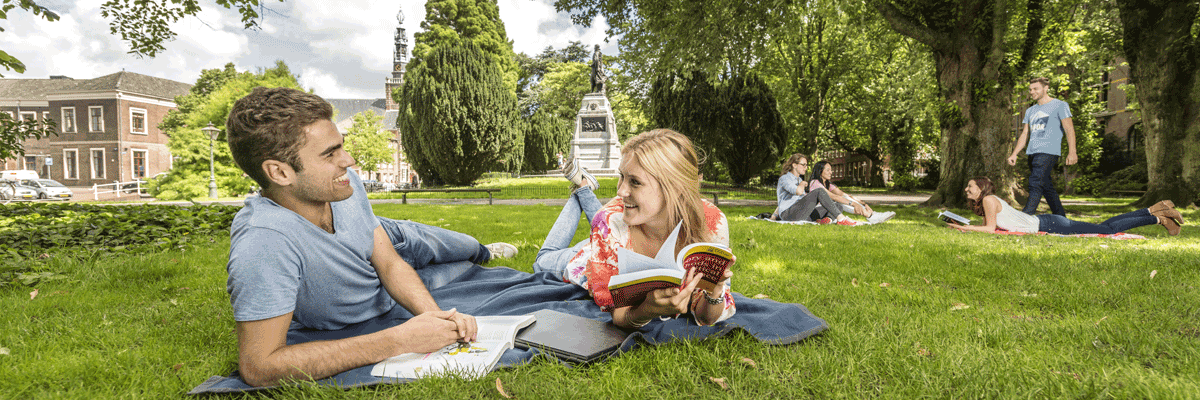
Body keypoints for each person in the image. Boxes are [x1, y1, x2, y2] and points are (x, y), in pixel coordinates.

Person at [222, 87, 517, 386]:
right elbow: (259, 367)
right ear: (279, 173)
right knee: (462, 272)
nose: (349, 161)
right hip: (370, 277)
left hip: (390, 237)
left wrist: (436, 320)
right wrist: (399, 340)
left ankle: (484, 250)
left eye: (341, 146)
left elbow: (389, 262)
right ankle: (479, 256)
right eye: (330, 154)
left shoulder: (342, 184)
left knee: (465, 247)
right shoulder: (263, 243)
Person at [532, 129, 735, 328]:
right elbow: (619, 315)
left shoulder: (711, 222)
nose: (620, 190)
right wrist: (646, 310)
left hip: (611, 238)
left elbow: (707, 317)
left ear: (674, 189)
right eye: (622, 176)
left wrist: (715, 291)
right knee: (543, 259)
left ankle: (583, 187)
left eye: (635, 182)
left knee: (609, 219)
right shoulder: (607, 223)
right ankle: (581, 190)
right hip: (587, 259)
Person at [947, 177, 1183, 236]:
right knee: (1104, 225)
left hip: (1051, 224)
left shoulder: (989, 199)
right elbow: (991, 225)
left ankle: (1157, 217)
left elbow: (989, 229)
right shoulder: (990, 201)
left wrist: (961, 229)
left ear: (981, 188)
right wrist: (964, 225)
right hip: (1048, 221)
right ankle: (1154, 209)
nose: (967, 190)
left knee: (1108, 230)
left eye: (970, 187)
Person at [1007, 77, 1076, 216]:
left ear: (1046, 88)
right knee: (1046, 186)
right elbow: (1025, 133)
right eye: (1030, 89)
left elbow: (1069, 129)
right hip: (1032, 152)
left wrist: (1072, 152)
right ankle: (1060, 217)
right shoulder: (1030, 111)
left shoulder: (1060, 105)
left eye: (1035, 89)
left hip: (1049, 151)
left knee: (1035, 182)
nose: (1032, 92)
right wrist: (1014, 153)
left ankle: (1026, 215)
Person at [770, 153, 857, 225]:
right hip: (789, 214)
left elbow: (785, 199)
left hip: (800, 212)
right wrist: (802, 184)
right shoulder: (785, 179)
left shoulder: (799, 179)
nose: (806, 167)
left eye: (806, 165)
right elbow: (798, 191)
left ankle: (827, 220)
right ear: (794, 165)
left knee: (837, 206)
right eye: (803, 165)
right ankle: (842, 220)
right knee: (819, 191)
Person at [808, 160, 896, 224]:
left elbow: (845, 195)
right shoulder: (815, 183)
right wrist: (853, 204)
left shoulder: (828, 184)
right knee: (839, 202)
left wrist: (864, 204)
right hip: (815, 212)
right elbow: (834, 197)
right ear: (820, 171)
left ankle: (872, 214)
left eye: (831, 170)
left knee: (843, 199)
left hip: (825, 211)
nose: (831, 172)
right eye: (828, 170)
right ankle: (870, 216)